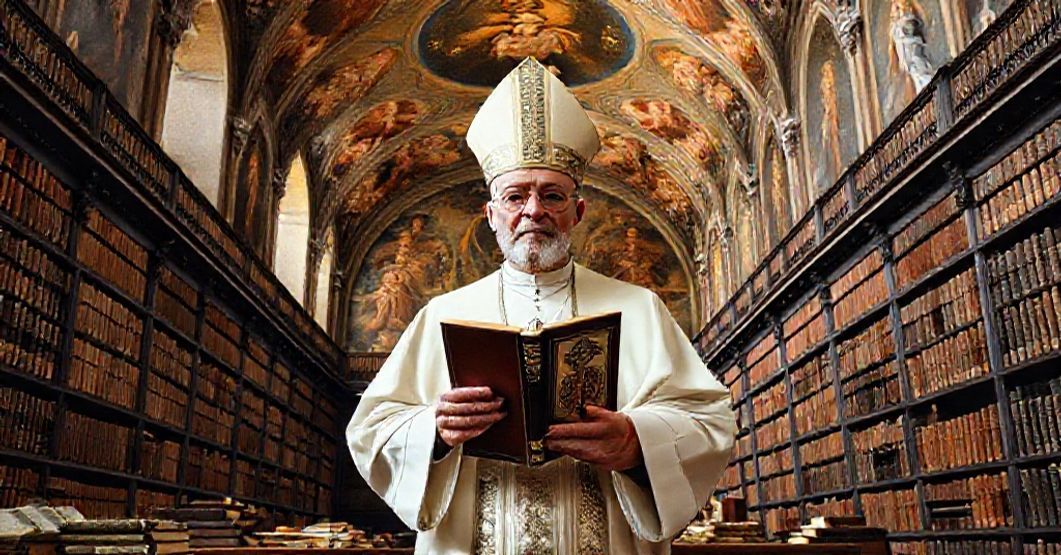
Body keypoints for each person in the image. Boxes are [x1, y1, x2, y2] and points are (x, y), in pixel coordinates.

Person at [346, 57, 736, 554]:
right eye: (515, 196)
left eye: (551, 195)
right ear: (491, 214)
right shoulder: (440, 314)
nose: (533, 210)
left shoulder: (640, 308)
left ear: (577, 212)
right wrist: (435, 431)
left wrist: (639, 443)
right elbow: (371, 430)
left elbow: (710, 421)